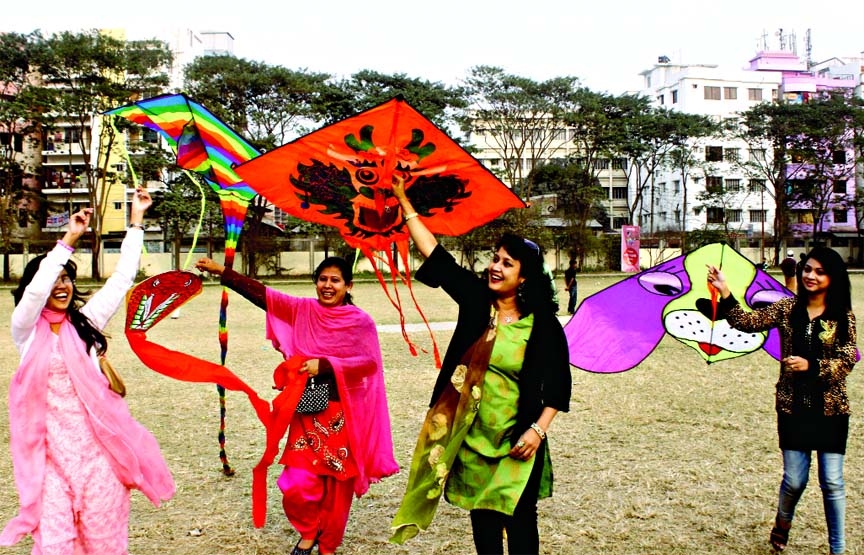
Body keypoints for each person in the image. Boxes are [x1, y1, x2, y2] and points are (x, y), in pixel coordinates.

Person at [389, 177, 572, 554]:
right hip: (472, 439)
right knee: (485, 529)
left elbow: (558, 386)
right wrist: (404, 203)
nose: (496, 267)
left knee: (521, 526)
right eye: (495, 259)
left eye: (508, 263)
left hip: (518, 438)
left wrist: (537, 431)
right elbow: (436, 256)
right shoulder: (477, 304)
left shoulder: (542, 326)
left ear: (524, 277)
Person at [1, 190, 175, 554]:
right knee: (55, 545)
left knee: (103, 543)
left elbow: (123, 277)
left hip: (99, 457)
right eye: (54, 279)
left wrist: (136, 220)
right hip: (49, 461)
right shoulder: (26, 331)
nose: (61, 285)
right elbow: (34, 294)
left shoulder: (86, 324)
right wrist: (69, 239)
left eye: (67, 278)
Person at [194, 255, 397, 555]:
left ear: (348, 285)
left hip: (344, 416)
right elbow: (264, 295)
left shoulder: (360, 322)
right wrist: (222, 272)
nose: (327, 286)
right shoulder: (302, 309)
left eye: (335, 280)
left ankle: (327, 545)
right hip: (307, 414)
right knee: (297, 484)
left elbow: (368, 364)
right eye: (323, 279)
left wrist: (326, 365)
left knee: (337, 490)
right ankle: (309, 530)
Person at [707, 247, 856, 555]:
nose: (810, 276)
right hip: (793, 406)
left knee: (832, 483)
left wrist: (812, 366)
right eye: (808, 269)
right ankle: (782, 523)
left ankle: (837, 549)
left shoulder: (843, 316)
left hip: (831, 407)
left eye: (819, 272)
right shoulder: (787, 308)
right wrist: (725, 291)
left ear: (833, 278)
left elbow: (848, 360)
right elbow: (747, 322)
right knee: (794, 481)